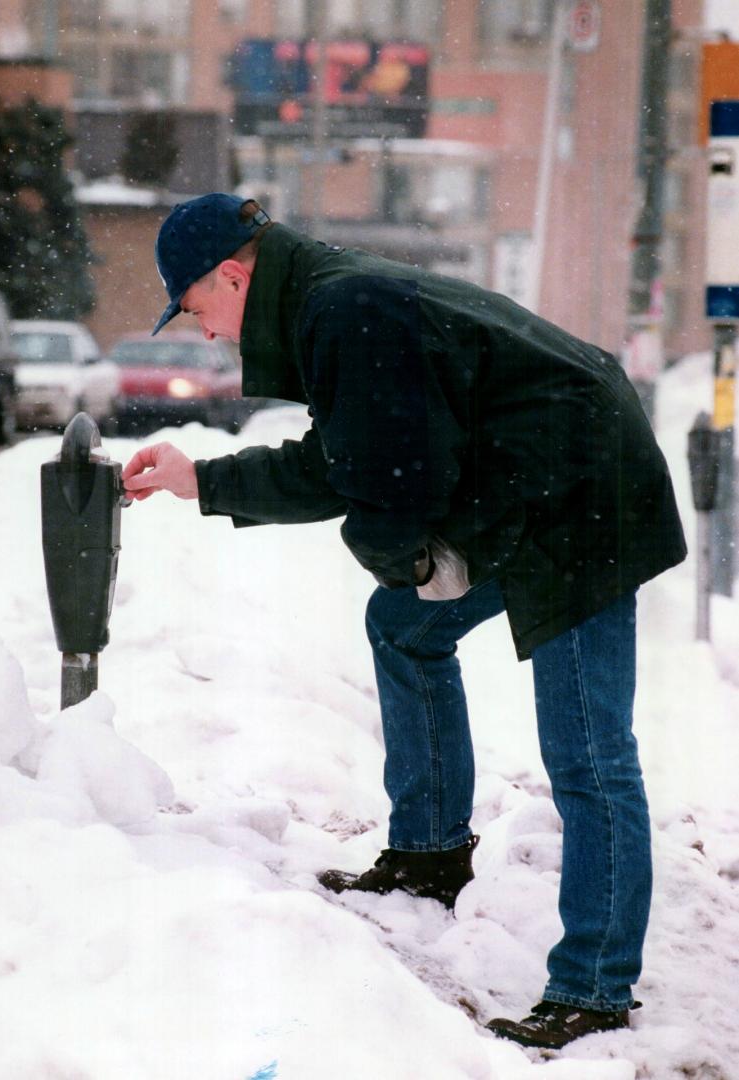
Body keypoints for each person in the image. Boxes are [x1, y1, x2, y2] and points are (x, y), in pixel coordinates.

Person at [122, 193, 687, 1051]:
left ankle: (593, 988)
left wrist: (413, 556)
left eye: (199, 310)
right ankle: (426, 853)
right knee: (404, 625)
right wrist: (200, 479)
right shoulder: (328, 302)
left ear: (232, 275)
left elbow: (392, 482)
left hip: (583, 500)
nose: (207, 335)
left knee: (586, 748)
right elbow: (345, 460)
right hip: (527, 482)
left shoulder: (344, 307)